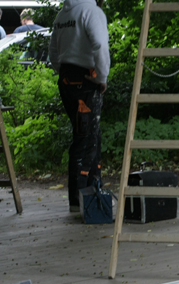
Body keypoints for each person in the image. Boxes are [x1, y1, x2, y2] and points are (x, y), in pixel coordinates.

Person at [49, 0, 110, 212]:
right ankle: (81, 199)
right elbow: (100, 45)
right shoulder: (91, 12)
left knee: (85, 135)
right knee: (87, 140)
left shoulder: (62, 16)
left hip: (66, 80)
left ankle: (88, 196)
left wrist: (63, 72)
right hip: (86, 80)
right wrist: (101, 77)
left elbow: (53, 52)